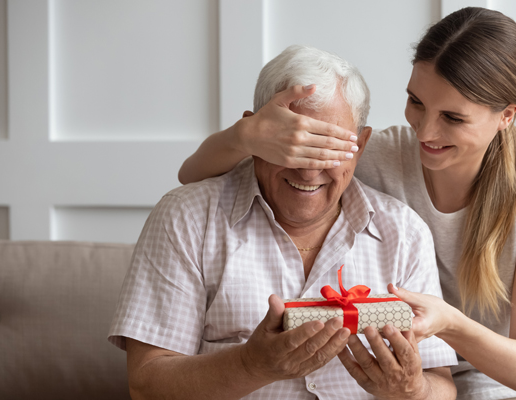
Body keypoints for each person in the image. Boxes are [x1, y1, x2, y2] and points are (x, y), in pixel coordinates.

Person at [176, 7, 516, 400]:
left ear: (506, 115)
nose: (425, 131)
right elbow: (194, 181)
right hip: (432, 380)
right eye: (416, 102)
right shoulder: (381, 154)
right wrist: (246, 136)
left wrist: (447, 321)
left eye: (453, 117)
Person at [109, 45, 458, 400]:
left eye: (328, 148)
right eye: (291, 144)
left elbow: (442, 385)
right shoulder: (187, 218)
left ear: (362, 145)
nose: (308, 169)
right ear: (254, 132)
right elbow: (146, 385)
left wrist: (414, 391)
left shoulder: (404, 233)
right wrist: (250, 365)